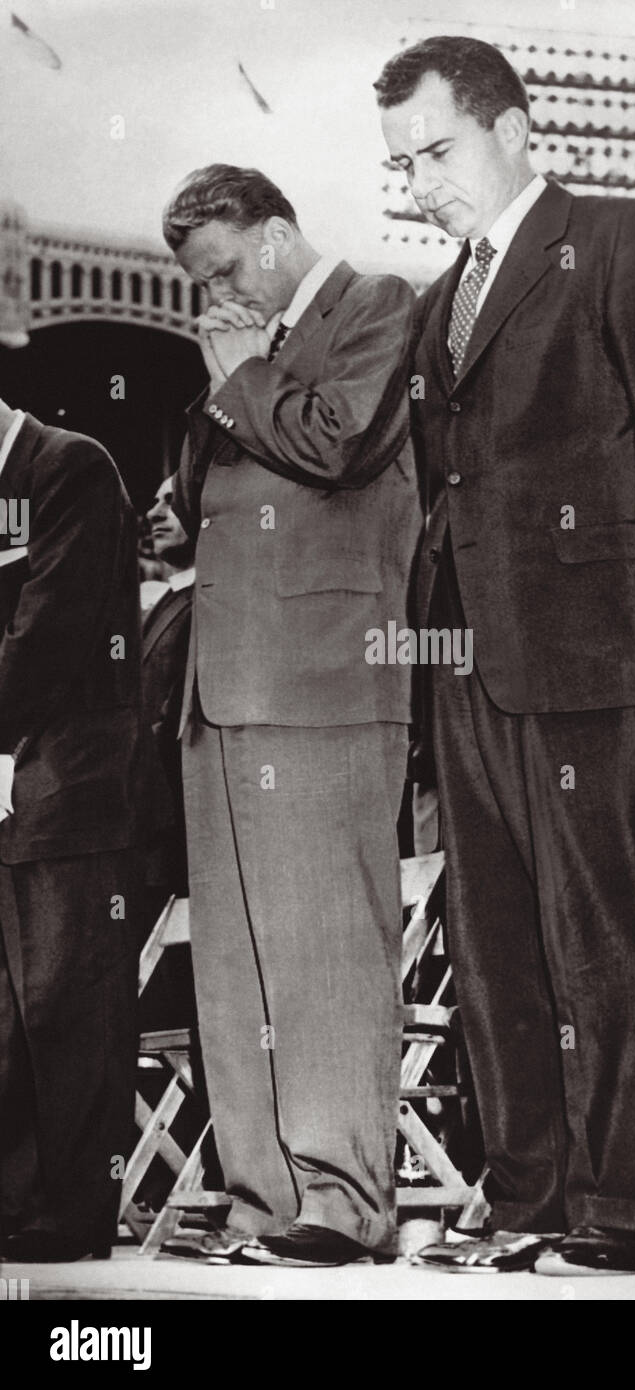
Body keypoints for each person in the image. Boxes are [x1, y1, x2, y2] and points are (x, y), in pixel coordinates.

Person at [375, 35, 635, 1274]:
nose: (419, 180)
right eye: (401, 163)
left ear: (515, 128)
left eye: (436, 150)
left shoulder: (624, 238)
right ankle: (524, 1194)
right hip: (468, 668)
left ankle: (618, 1215)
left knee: (605, 941)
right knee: (493, 948)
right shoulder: (439, 303)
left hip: (593, 651)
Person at [160, 164, 420, 1266]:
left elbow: (339, 441)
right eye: (198, 281)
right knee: (237, 964)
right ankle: (264, 1196)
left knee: (324, 952)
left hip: (326, 681)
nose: (214, 296)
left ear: (274, 236)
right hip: (221, 690)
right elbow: (200, 493)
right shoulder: (239, 354)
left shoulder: (377, 304)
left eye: (224, 268)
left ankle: (344, 1200)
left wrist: (232, 375)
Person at [0, 399, 143, 1262]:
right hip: (13, 776)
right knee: (9, 1015)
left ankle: (73, 1211)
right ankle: (16, 1204)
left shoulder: (73, 467)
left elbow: (48, 634)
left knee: (66, 999)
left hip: (69, 783)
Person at [138, 476, 196, 1031]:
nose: (154, 511)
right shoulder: (171, 601)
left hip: (175, 850)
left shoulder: (208, 604)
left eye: (170, 501)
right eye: (154, 501)